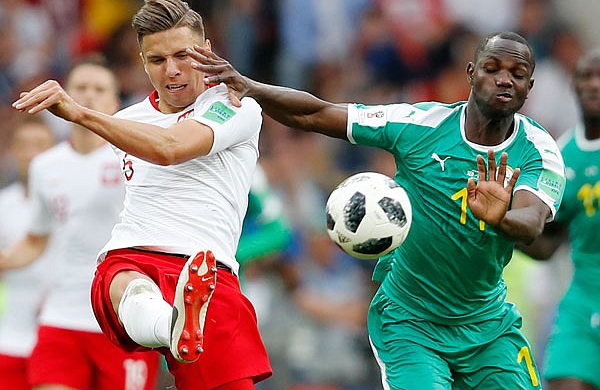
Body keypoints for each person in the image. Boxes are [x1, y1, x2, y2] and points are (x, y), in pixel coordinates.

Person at [190, 31, 566, 389]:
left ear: (529, 88)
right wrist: (251, 88)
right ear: (471, 73)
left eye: (518, 75)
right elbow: (317, 114)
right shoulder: (420, 126)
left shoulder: (539, 150)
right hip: (411, 321)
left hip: (487, 324)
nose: (504, 80)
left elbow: (532, 223)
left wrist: (501, 217)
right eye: (492, 68)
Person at [12, 0, 271, 390]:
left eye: (183, 56)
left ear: (207, 51)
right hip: (135, 256)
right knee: (124, 282)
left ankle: (179, 323)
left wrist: (80, 111)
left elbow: (169, 148)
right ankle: (170, 327)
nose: (172, 71)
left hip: (207, 271)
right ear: (142, 60)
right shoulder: (127, 122)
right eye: (157, 61)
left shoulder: (235, 107)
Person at [1, 57, 161, 390]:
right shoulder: (46, 166)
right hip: (60, 319)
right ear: (63, 96)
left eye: (99, 89)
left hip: (120, 323)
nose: (89, 96)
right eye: (81, 88)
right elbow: (35, 240)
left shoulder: (135, 159)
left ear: (115, 103)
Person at [519, 49, 600, 390]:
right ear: (574, 84)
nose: (595, 85)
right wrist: (502, 225)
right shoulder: (559, 157)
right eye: (586, 76)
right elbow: (547, 243)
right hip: (584, 301)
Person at [0, 116, 56, 390]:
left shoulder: (72, 203)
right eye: (24, 145)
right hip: (8, 340)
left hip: (60, 337)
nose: (33, 154)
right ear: (13, 151)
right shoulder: (3, 205)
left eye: (41, 145)